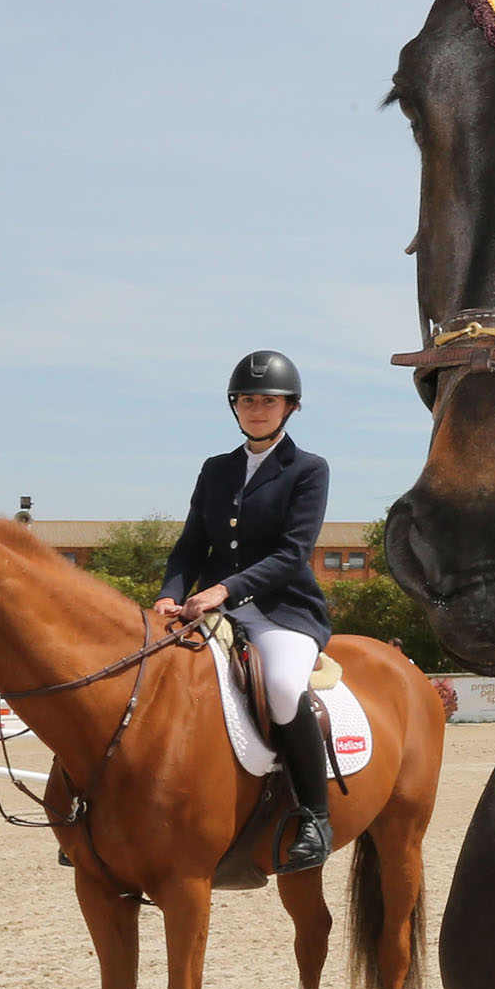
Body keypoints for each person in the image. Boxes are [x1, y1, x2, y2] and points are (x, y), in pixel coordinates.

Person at [156, 350, 334, 874]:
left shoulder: (308, 469)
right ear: (235, 407)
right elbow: (190, 545)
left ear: (290, 408)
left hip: (283, 611)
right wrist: (171, 591)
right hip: (211, 607)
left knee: (281, 687)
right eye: (248, 400)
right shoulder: (217, 469)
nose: (257, 409)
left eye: (268, 401)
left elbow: (291, 554)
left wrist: (224, 590)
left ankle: (315, 816)